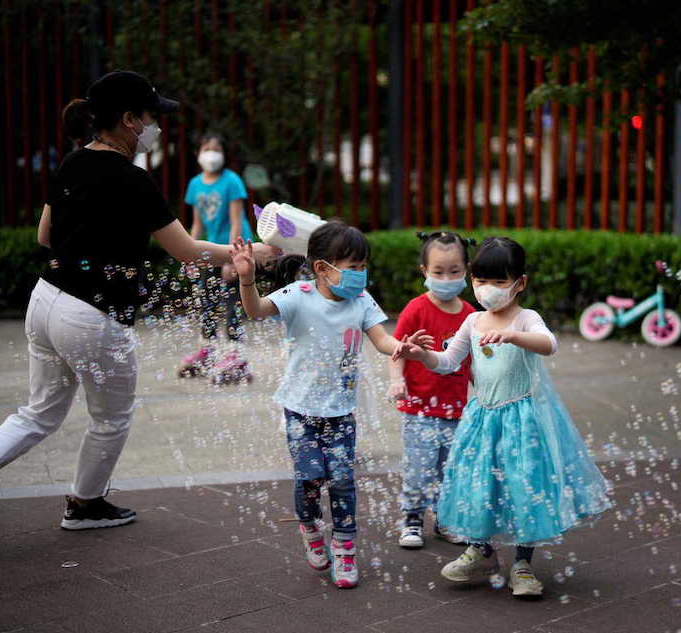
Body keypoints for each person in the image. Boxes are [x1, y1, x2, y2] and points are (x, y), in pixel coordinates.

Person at [0, 70, 277, 549]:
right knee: (111, 418)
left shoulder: (71, 164)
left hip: (44, 302)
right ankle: (84, 504)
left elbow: (43, 236)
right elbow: (184, 250)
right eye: (150, 117)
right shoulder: (134, 179)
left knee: (37, 411)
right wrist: (253, 256)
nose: (156, 126)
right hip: (92, 317)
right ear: (128, 121)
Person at [395, 237, 612, 598]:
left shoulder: (527, 319)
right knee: (479, 482)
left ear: (519, 283)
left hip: (523, 419)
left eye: (498, 282)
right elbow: (449, 363)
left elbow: (549, 343)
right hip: (483, 416)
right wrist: (422, 356)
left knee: (523, 486)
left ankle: (523, 564)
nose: (488, 290)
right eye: (480, 281)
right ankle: (481, 550)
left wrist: (514, 336)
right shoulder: (473, 320)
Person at [229, 221, 430, 589]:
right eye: (353, 267)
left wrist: (402, 347)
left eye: (363, 266)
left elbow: (383, 341)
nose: (360, 274)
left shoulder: (362, 301)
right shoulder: (299, 295)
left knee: (341, 482)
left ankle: (345, 547)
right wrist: (246, 278)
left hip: (340, 410)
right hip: (300, 408)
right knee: (309, 479)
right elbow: (256, 310)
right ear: (323, 268)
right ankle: (309, 527)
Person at [389, 231, 475, 549]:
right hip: (419, 407)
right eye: (438, 272)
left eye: (454, 271)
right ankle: (412, 519)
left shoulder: (470, 315)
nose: (446, 278)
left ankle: (444, 518)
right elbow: (396, 351)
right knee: (419, 467)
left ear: (466, 271)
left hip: (456, 408)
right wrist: (396, 380)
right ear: (424, 271)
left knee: (450, 470)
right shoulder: (416, 310)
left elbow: (475, 363)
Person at [178, 132, 254, 383]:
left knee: (233, 302)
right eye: (207, 148)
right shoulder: (195, 184)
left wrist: (233, 259)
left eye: (217, 149)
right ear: (199, 153)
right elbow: (197, 225)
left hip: (235, 247)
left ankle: (236, 355)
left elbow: (235, 221)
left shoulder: (231, 181)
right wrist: (189, 255)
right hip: (209, 249)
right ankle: (207, 351)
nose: (212, 153)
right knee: (206, 300)